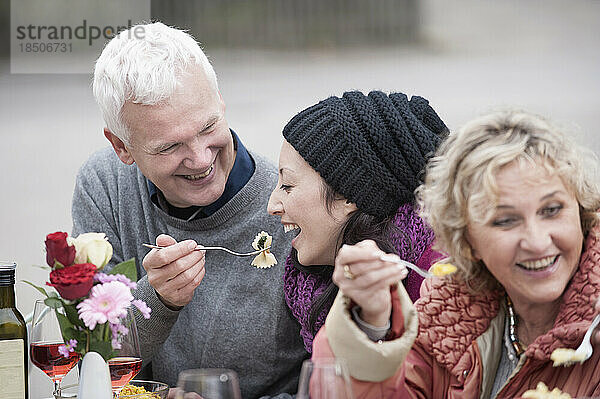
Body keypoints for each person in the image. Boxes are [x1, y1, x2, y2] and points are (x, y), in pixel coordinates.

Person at [71, 22, 307, 398]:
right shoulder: (105, 185)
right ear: (122, 147)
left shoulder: (292, 201)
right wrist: (158, 300)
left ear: (221, 101)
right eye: (169, 147)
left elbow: (330, 375)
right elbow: (96, 361)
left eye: (209, 126)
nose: (199, 160)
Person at [312, 109, 600, 398]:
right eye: (505, 220)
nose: (537, 242)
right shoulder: (450, 315)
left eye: (551, 210)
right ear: (467, 240)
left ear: (582, 211)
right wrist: (370, 321)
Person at [267, 90, 449, 353]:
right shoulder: (312, 285)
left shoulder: (434, 283)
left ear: (346, 195)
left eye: (287, 184)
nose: (271, 205)